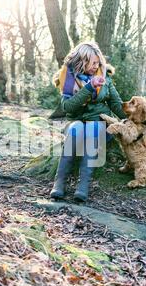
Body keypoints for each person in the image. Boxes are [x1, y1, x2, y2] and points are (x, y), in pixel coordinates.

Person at [50, 41, 128, 202]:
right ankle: (59, 182)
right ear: (81, 61)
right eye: (92, 62)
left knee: (92, 128)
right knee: (76, 129)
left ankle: (83, 185)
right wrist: (89, 88)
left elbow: (116, 103)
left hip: (99, 125)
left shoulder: (104, 76)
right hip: (77, 123)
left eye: (98, 62)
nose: (96, 66)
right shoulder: (68, 78)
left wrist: (135, 119)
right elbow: (68, 107)